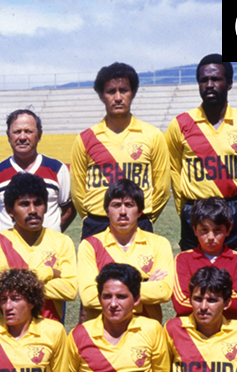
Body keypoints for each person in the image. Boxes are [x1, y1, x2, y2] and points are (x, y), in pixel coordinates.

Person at [165, 54, 237, 256]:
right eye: (204, 80)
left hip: (234, 210)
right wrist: (186, 211)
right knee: (195, 272)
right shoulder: (180, 125)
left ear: (229, 83)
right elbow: (175, 172)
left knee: (236, 270)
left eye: (216, 79)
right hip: (195, 210)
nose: (209, 85)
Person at [70, 62, 171, 241]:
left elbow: (162, 189)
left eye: (123, 90)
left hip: (139, 222)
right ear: (101, 96)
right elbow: (78, 191)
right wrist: (89, 218)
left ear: (133, 93)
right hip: (97, 223)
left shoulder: (152, 135)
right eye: (111, 91)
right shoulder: (85, 138)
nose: (118, 97)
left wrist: (145, 217)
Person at [77, 179, 173, 323]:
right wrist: (145, 285)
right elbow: (88, 297)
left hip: (145, 329)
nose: (122, 212)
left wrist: (108, 290)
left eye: (129, 205)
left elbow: (164, 291)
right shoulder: (90, 246)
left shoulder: (158, 243)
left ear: (140, 211)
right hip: (102, 330)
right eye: (116, 205)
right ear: (107, 211)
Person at [0, 173, 76, 323]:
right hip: (9, 330)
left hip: (50, 328)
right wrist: (49, 272)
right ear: (10, 211)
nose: (33, 210)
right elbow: (2, 287)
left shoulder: (62, 241)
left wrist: (19, 284)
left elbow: (70, 290)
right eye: (24, 204)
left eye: (38, 203)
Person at [0, 109, 75, 233]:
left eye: (28, 131)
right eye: (17, 132)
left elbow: (69, 210)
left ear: (39, 135)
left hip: (49, 244)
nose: (22, 137)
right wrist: (8, 239)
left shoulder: (57, 169)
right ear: (8, 135)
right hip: (11, 245)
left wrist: (52, 235)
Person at [171, 197, 237, 321]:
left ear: (228, 229)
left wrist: (198, 300)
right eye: (204, 230)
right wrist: (219, 301)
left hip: (230, 327)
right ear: (194, 229)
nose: (210, 237)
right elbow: (180, 304)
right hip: (193, 328)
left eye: (217, 230)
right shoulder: (183, 259)